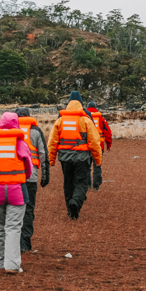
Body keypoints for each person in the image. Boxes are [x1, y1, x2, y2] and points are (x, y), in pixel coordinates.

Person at [0, 112, 33, 274]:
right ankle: (11, 264)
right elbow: (29, 169)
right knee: (13, 227)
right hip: (17, 190)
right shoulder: (21, 144)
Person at [48, 91, 102, 220]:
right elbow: (94, 142)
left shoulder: (60, 121)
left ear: (68, 104)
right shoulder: (86, 121)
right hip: (82, 157)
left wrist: (51, 159)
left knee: (68, 183)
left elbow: (52, 141)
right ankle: (75, 203)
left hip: (64, 158)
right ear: (81, 104)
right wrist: (97, 160)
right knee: (81, 183)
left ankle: (70, 210)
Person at [16, 107, 50, 253]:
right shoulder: (36, 131)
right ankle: (25, 243)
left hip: (13, 177)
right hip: (31, 177)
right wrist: (45, 175)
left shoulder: (10, 132)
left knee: (14, 210)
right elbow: (43, 153)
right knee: (28, 210)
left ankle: (13, 242)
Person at [85, 101, 112, 191]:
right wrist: (108, 144)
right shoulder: (100, 118)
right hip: (99, 146)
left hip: (86, 146)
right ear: (96, 108)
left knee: (86, 166)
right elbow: (107, 132)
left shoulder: (84, 117)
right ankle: (96, 186)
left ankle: (87, 185)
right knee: (97, 166)